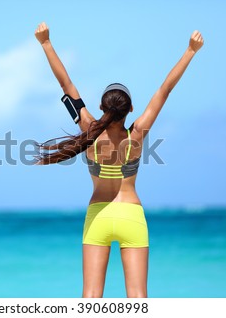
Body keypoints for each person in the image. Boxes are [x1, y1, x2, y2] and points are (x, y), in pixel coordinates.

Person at [34, 22, 204, 298]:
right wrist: (190, 51)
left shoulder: (89, 129)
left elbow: (66, 84)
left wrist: (46, 43)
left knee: (90, 298)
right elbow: (164, 91)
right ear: (131, 109)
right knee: (138, 300)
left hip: (98, 215)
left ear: (102, 108)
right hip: (131, 215)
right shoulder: (137, 134)